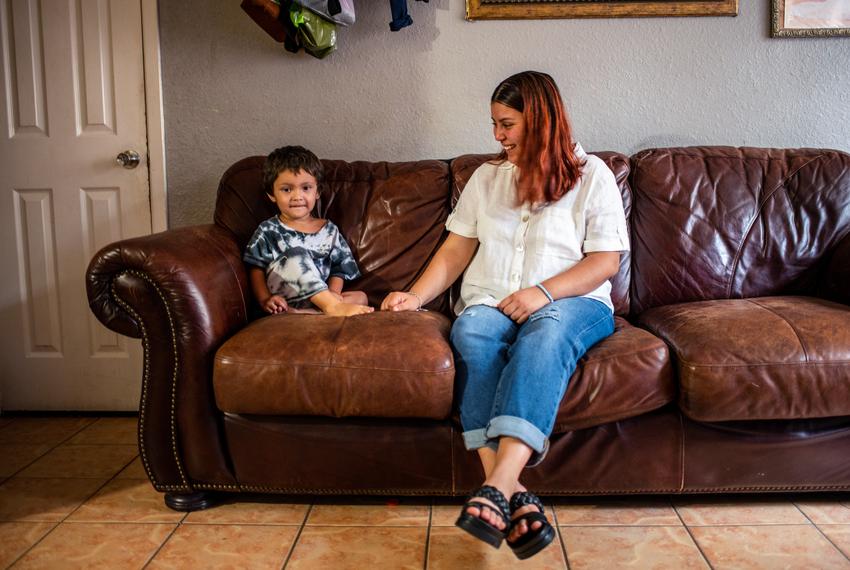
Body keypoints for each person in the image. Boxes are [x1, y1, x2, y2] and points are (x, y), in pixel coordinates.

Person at [381, 71, 629, 559]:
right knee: (472, 331)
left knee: (546, 335)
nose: (497, 135)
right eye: (494, 123)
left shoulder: (593, 174)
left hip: (574, 305)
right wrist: (416, 296)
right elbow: (457, 249)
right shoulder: (487, 178)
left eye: (507, 123)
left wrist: (542, 292)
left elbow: (605, 261)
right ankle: (508, 496)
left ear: (540, 120)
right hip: (490, 300)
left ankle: (496, 485)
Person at [244, 145, 373, 317]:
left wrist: (333, 294)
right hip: (283, 297)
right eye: (287, 189)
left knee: (361, 297)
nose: (297, 196)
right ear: (272, 194)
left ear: (318, 191)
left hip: (320, 299)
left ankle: (305, 312)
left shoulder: (329, 230)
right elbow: (255, 269)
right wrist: (265, 299)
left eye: (306, 188)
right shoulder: (268, 230)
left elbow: (339, 269)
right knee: (295, 255)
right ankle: (330, 307)